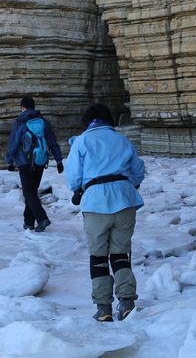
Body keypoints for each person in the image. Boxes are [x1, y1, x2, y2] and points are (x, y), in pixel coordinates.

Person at [65, 103, 145, 322]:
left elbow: (73, 177)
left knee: (98, 257)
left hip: (95, 203)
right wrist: (130, 184)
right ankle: (127, 303)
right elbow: (138, 171)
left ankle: (104, 309)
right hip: (124, 200)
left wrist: (79, 189)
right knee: (120, 254)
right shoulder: (122, 140)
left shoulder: (81, 141)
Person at [5, 96, 63, 232]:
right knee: (31, 192)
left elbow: (13, 144)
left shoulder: (20, 122)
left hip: (24, 162)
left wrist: (9, 161)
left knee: (28, 192)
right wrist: (59, 160)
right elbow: (52, 142)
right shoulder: (43, 121)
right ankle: (28, 222)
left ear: (22, 107)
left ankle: (42, 219)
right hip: (40, 161)